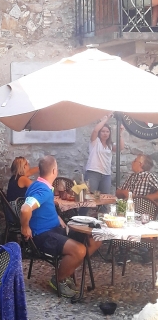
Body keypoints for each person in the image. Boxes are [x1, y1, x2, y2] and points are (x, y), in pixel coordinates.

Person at [20, 155, 100, 298]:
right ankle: (58, 279)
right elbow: (25, 209)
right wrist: (25, 227)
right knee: (79, 250)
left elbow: (43, 207)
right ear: (54, 171)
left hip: (56, 231)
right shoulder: (42, 190)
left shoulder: (39, 185)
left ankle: (67, 270)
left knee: (96, 238)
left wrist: (57, 217)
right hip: (44, 236)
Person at [85, 114, 124, 194]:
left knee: (105, 198)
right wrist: (106, 119)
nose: (105, 133)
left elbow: (120, 147)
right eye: (103, 131)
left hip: (106, 175)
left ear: (109, 133)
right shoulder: (95, 142)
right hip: (93, 173)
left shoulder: (110, 145)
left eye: (107, 132)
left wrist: (120, 133)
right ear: (100, 133)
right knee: (89, 197)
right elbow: (95, 131)